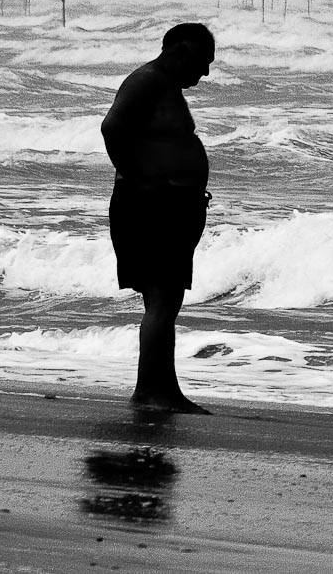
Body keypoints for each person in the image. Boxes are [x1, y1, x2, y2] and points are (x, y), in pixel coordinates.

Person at [102, 22, 216, 414]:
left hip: (167, 204)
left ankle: (162, 387)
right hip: (150, 205)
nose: (204, 73)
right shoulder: (147, 80)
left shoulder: (163, 85)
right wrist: (142, 177)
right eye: (202, 62)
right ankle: (152, 390)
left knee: (166, 299)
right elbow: (112, 127)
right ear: (180, 50)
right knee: (162, 299)